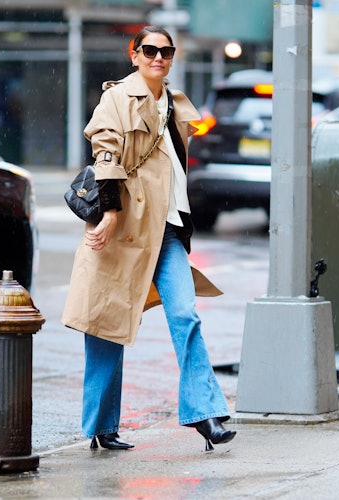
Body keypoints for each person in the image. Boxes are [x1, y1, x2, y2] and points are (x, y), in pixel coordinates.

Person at [62, 25, 236, 452]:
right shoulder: (117, 98)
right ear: (134, 54)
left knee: (185, 315)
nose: (159, 57)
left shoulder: (176, 104)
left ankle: (204, 414)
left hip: (169, 229)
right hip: (126, 227)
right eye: (151, 50)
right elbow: (104, 152)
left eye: (167, 51)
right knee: (106, 325)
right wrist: (108, 212)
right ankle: (102, 426)